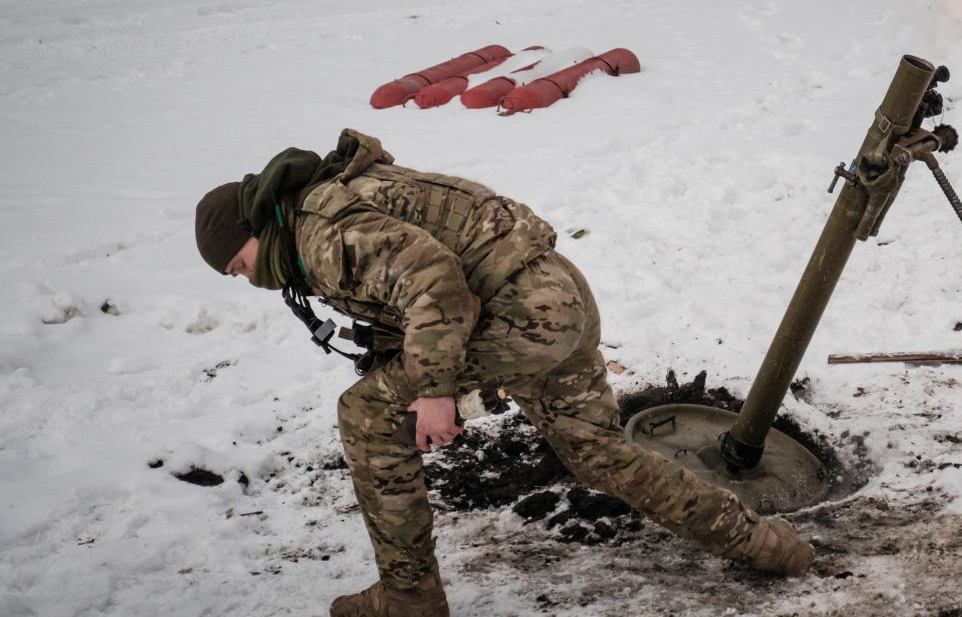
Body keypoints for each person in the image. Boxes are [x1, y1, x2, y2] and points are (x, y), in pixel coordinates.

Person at [194, 129, 812, 617]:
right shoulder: (332, 205)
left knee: (364, 414)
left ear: (252, 231)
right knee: (598, 453)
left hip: (523, 315)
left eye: (237, 265)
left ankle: (410, 600)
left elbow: (432, 279)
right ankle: (772, 549)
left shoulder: (322, 234)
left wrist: (436, 393)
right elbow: (405, 298)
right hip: (557, 295)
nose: (244, 279)